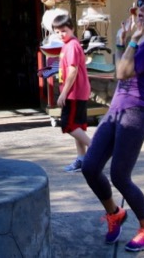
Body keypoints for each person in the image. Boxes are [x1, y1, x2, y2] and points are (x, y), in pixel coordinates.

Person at [80, 0, 144, 252]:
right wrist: (121, 44)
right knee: (90, 166)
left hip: (134, 114)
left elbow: (122, 73)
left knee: (120, 176)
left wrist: (131, 40)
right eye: (138, 5)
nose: (140, 10)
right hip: (116, 111)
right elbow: (120, 70)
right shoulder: (142, 40)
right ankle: (115, 213)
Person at [52, 13, 92, 172]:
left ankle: (96, 149)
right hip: (76, 92)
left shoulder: (73, 46)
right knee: (78, 126)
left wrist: (63, 94)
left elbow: (73, 71)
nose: (61, 34)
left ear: (72, 29)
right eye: (57, 31)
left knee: (69, 125)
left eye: (64, 31)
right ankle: (82, 159)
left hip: (74, 93)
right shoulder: (67, 45)